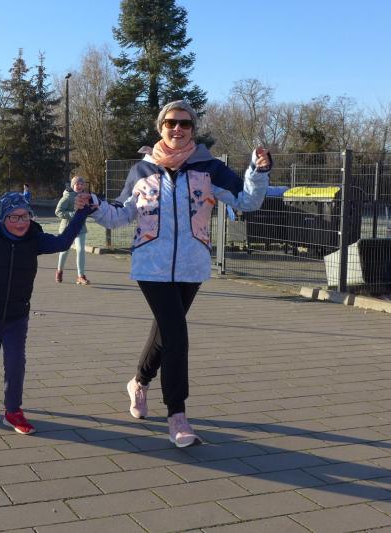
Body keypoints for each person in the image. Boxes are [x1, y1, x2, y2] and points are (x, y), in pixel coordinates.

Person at [77, 100, 271, 448]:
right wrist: (93, 203)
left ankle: (139, 382)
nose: (177, 129)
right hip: (151, 265)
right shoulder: (142, 170)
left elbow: (247, 201)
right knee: (177, 335)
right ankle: (177, 417)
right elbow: (120, 215)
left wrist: (257, 172)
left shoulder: (209, 168)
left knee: (165, 333)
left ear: (193, 129)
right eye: (170, 123)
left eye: (185, 123)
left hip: (191, 265)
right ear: (160, 127)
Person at [0, 181, 92, 434]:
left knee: (15, 362)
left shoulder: (35, 240)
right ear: (3, 218)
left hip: (17, 315)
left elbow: (64, 241)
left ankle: (12, 411)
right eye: (14, 216)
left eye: (25, 216)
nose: (21, 222)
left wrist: (81, 213)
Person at [55, 176, 91, 285]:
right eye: (77, 184)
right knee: (64, 250)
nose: (79, 186)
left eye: (81, 184)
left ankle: (80, 276)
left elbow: (87, 210)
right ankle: (59, 271)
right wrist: (72, 214)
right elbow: (58, 211)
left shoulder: (85, 197)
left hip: (80, 228)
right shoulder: (67, 197)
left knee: (80, 250)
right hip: (67, 228)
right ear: (73, 185)